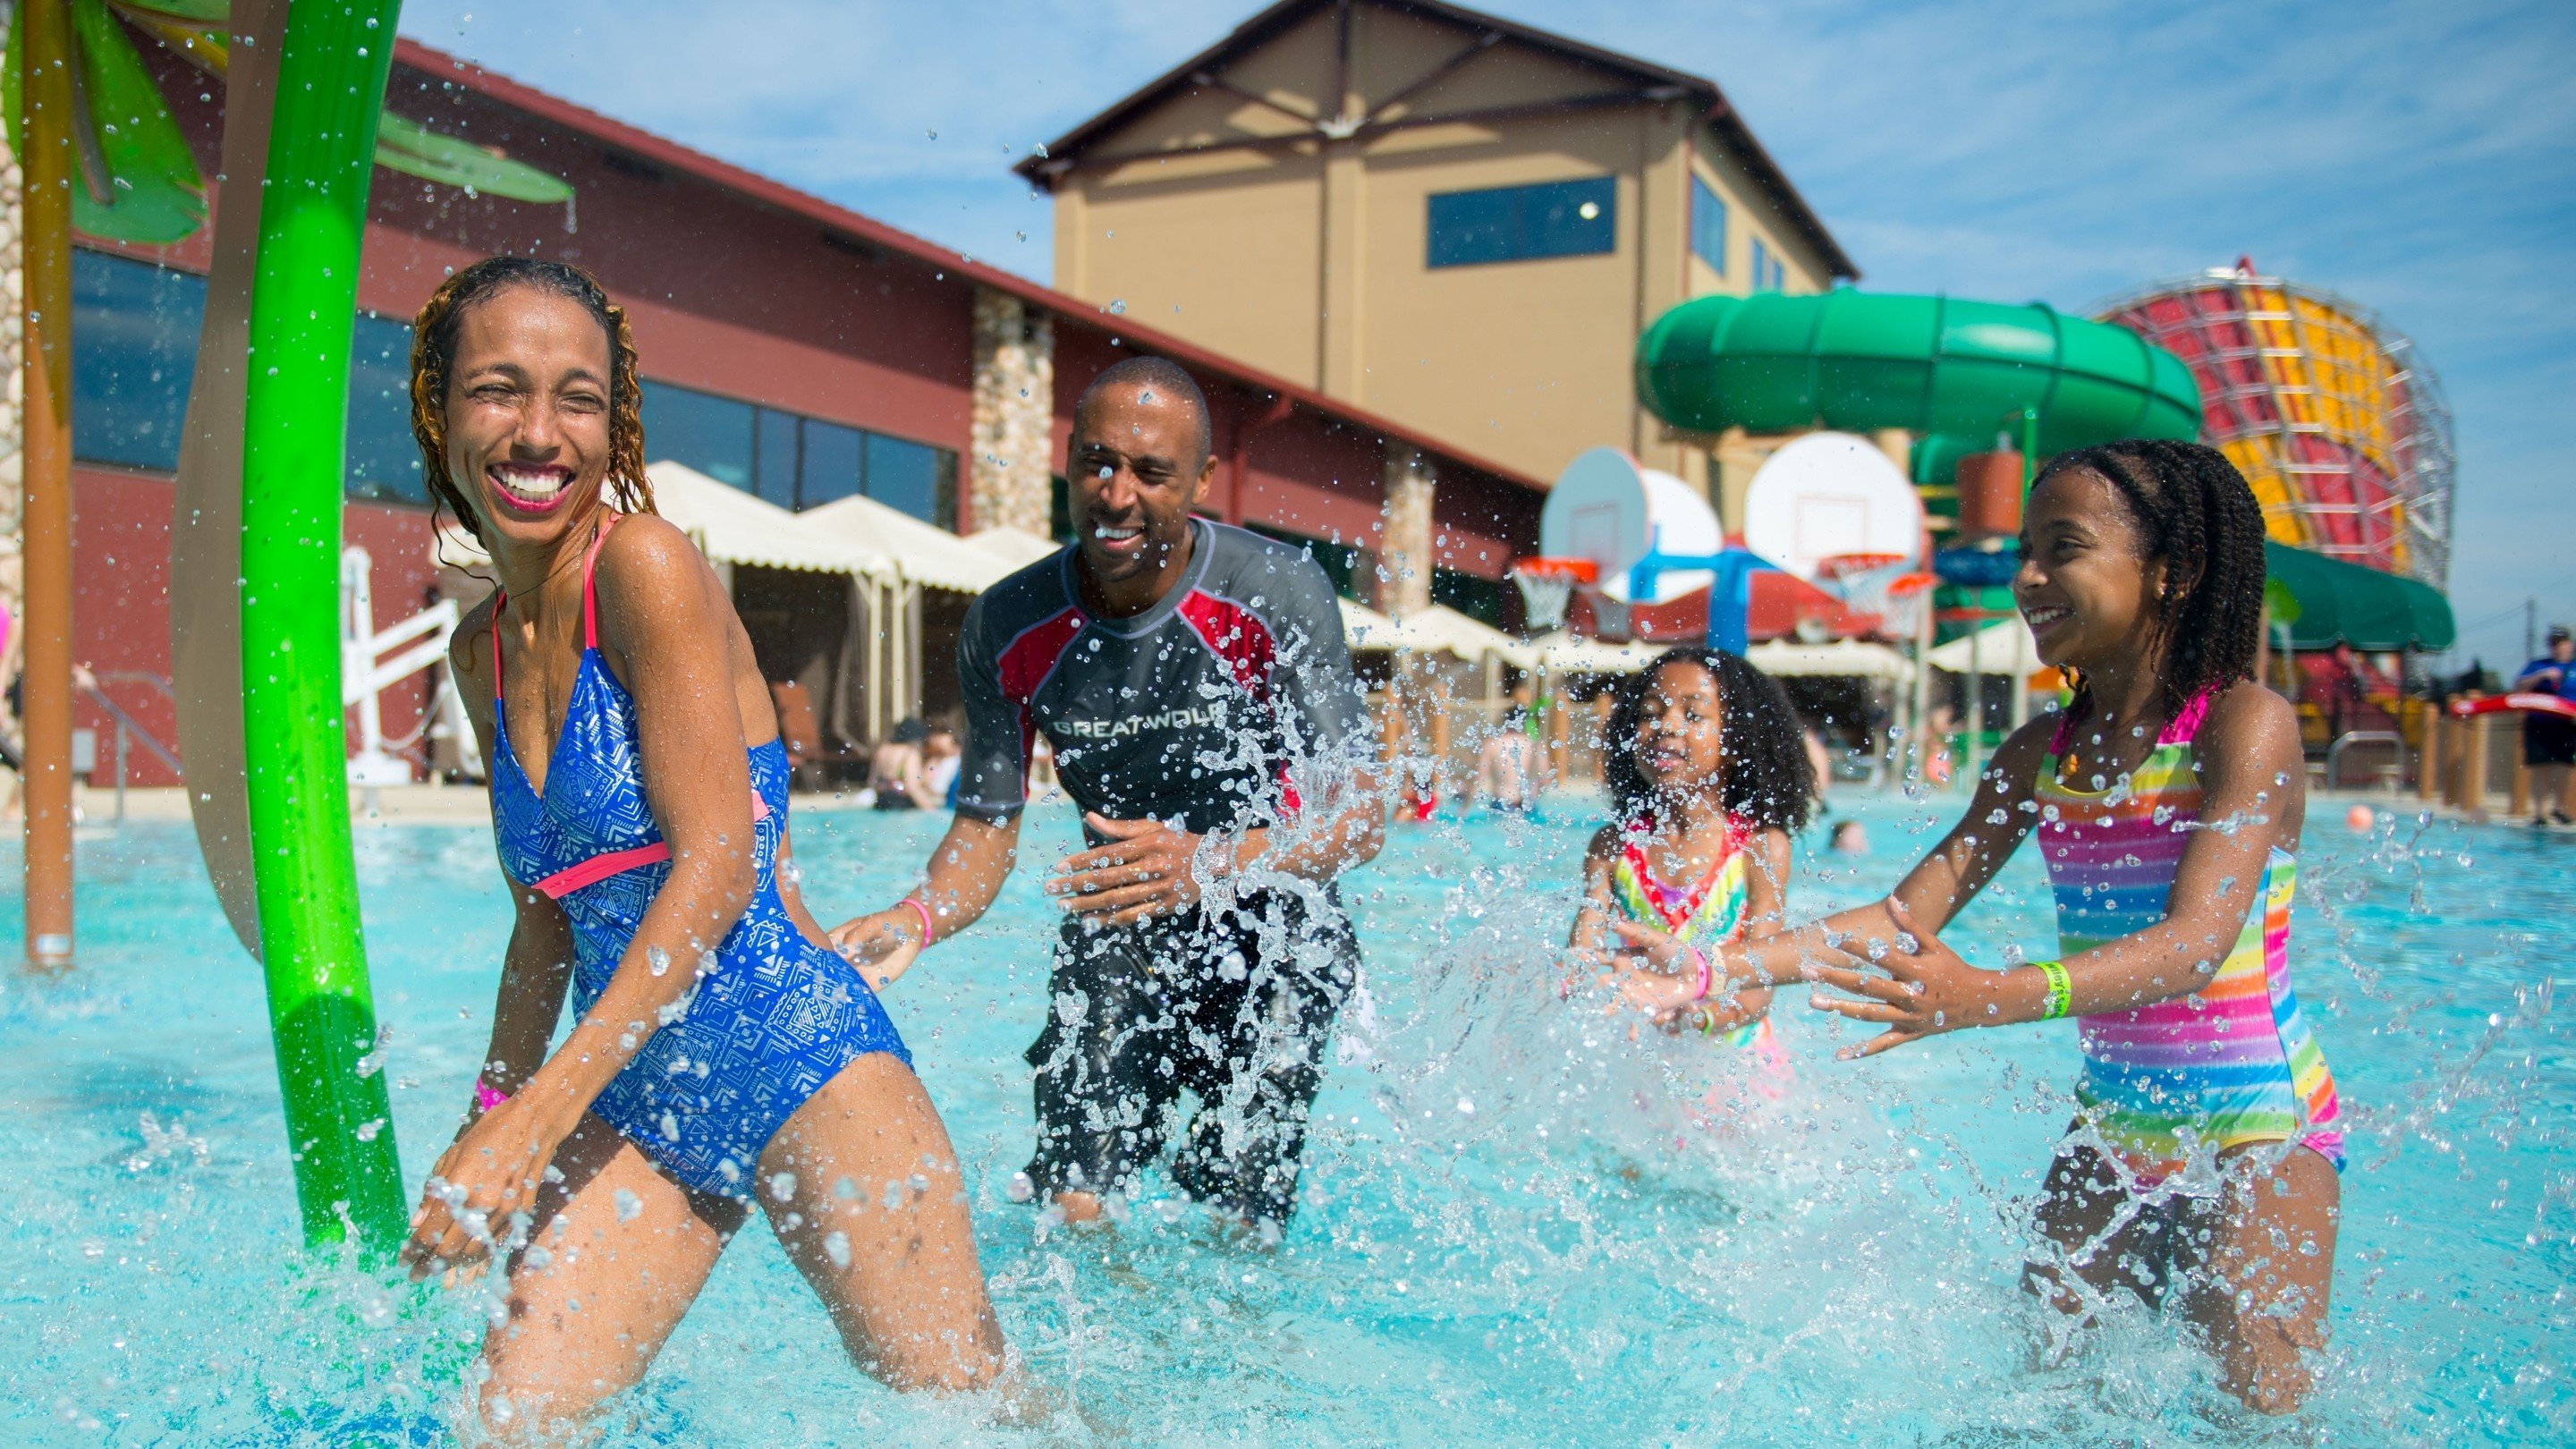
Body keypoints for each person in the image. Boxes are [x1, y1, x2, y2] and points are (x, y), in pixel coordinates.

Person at [394, 258, 1005, 1435]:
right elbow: (543, 913)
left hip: (803, 1058)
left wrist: (535, 1123)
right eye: (497, 390)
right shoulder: (481, 651)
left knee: (974, 1423)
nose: (536, 432)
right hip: (639, 1101)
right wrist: (490, 1115)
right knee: (503, 1428)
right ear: (438, 409)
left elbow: (718, 866)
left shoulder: (644, 568)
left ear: (613, 422)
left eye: (576, 397)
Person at [1608, 441, 2341, 1413]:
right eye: (2023, 554)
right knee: (2049, 1407)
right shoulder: (2041, 752)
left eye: (2063, 549)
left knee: (2256, 1416)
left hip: (2259, 1125)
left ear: (2175, 569)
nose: (2028, 579)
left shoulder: (2242, 727)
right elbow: (1903, 916)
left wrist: (1985, 999)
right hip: (2115, 1127)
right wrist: (1705, 969)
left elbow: (2195, 946)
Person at [829, 356, 1383, 1234]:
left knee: (1243, 1205)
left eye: (1150, 472)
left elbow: (1357, 812)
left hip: (1276, 927)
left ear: (1201, 481)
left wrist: (1212, 863)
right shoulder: (1008, 624)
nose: (1115, 494)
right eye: (1095, 462)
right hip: (1120, 924)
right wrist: (918, 918)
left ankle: (1240, 1361)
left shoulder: (1275, 593)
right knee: (1074, 1197)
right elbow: (985, 826)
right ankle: (1104, 1373)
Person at [1572, 649, 1809, 1080]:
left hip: (1740, 1073)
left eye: (1694, 715)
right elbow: (1579, 965)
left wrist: (1692, 1017)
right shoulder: (1612, 848)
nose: (1666, 725)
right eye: (1650, 713)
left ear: (1738, 741)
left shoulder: (1759, 848)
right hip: (1647, 1069)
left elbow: (1756, 993)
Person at [2513, 625, 2576, 827]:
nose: (2557, 647)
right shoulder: (2538, 665)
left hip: (2567, 724)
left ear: (2570, 644)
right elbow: (2519, 686)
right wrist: (2541, 676)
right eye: (2553, 644)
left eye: (2561, 643)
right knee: (2540, 767)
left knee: (2564, 766)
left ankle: (2558, 808)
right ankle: (2540, 813)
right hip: (2539, 723)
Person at [1472, 706, 1547, 812]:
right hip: (1528, 803)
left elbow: (1479, 776)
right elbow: (1545, 779)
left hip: (1501, 802)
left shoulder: (1492, 743)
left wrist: (1464, 808)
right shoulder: (1535, 745)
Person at [868, 716, 931, 809]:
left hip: (881, 803)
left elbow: (872, 781)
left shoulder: (882, 750)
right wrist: (931, 809)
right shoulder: (909, 753)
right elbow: (912, 787)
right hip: (901, 805)